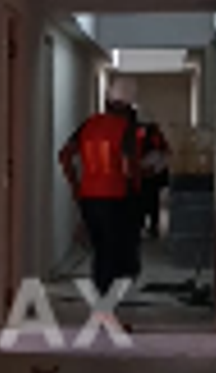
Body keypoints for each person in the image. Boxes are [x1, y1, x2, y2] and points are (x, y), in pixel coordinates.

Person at [58, 78, 141, 294]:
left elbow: (64, 155)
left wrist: (76, 186)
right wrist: (137, 183)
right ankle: (108, 297)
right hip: (117, 196)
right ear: (129, 106)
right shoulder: (125, 128)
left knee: (100, 249)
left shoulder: (88, 124)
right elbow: (127, 166)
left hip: (89, 196)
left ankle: (102, 293)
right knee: (116, 250)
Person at [136, 120, 171, 239]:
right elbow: (165, 156)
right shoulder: (157, 140)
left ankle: (145, 226)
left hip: (145, 178)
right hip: (152, 177)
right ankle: (152, 227)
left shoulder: (141, 138)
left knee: (143, 202)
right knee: (152, 202)